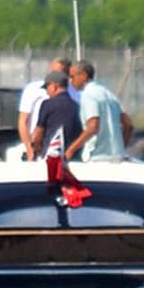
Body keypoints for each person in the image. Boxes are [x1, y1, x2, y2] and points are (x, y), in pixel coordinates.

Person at [32, 69, 92, 206]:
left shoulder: (47, 104)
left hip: (52, 162)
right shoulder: (76, 106)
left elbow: (37, 134)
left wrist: (35, 149)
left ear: (54, 86)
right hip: (74, 160)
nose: (47, 92)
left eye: (47, 88)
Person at [67, 60, 134, 161]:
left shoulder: (88, 95)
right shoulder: (109, 94)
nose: (70, 81)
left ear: (84, 75)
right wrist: (120, 147)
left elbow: (93, 126)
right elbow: (128, 124)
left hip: (97, 157)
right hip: (117, 156)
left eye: (72, 76)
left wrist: (70, 150)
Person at [16, 57, 72, 160]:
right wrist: (29, 149)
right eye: (53, 71)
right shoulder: (33, 89)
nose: (55, 75)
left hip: (65, 149)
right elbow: (23, 121)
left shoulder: (74, 93)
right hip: (39, 148)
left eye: (60, 73)